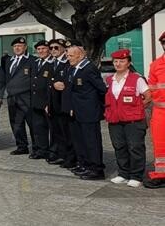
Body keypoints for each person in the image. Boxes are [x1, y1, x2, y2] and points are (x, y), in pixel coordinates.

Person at [103, 49, 146, 188]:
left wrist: (137, 107)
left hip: (133, 120)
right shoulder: (110, 80)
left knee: (135, 147)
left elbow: (148, 95)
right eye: (116, 61)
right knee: (119, 147)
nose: (118, 64)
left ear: (128, 63)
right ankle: (123, 173)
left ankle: (136, 176)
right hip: (115, 120)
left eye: (122, 61)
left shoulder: (137, 79)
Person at [65, 45, 107, 180]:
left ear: (80, 56)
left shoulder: (89, 69)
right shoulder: (74, 68)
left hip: (89, 112)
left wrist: (95, 106)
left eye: (71, 56)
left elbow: (101, 89)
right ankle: (84, 164)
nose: (68, 58)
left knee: (91, 141)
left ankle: (96, 169)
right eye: (67, 55)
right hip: (77, 111)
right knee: (80, 140)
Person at [2, 36, 36, 156]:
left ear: (25, 47)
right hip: (12, 98)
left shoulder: (32, 60)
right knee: (16, 123)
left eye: (20, 46)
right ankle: (22, 146)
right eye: (15, 46)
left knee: (32, 123)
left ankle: (37, 148)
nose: (17, 48)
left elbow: (33, 80)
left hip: (27, 98)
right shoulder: (9, 60)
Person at [48, 39, 76, 168]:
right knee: (57, 132)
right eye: (51, 48)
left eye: (56, 47)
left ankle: (70, 158)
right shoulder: (52, 63)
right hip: (54, 104)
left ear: (64, 49)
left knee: (67, 133)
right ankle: (61, 154)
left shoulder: (67, 64)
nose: (53, 50)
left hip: (63, 104)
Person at [29, 40, 55, 161]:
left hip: (47, 102)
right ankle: (41, 150)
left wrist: (48, 102)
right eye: (38, 49)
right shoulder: (35, 63)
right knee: (38, 127)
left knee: (52, 129)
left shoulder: (53, 63)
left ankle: (53, 151)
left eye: (43, 49)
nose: (41, 51)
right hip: (36, 101)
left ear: (49, 50)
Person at [145, 32, 165, 189]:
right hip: (160, 112)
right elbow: (152, 88)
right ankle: (161, 175)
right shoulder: (156, 65)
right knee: (160, 145)